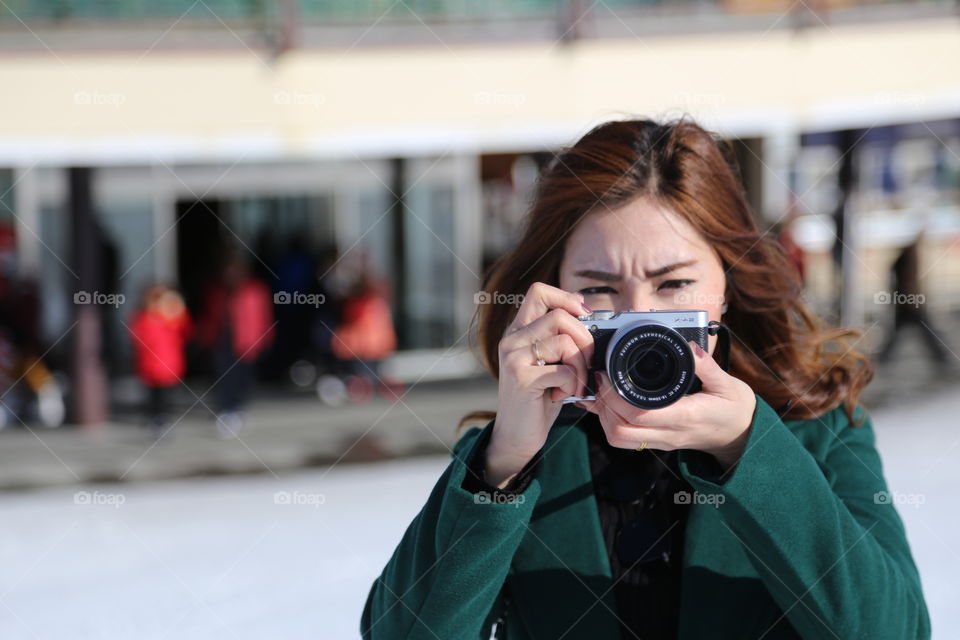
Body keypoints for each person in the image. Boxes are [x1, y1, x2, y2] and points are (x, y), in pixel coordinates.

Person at [360, 118, 930, 639]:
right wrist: (504, 465)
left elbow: (894, 631)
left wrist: (748, 450)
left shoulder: (816, 430)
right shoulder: (514, 454)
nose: (640, 319)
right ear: (552, 287)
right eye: (599, 287)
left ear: (726, 287)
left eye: (673, 285)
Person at [198, 253, 275, 437]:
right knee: (223, 377)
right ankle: (225, 410)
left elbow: (263, 316)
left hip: (246, 341)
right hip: (222, 341)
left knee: (243, 377)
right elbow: (209, 317)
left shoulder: (254, 290)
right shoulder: (216, 292)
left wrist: (264, 337)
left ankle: (239, 408)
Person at [128, 285, 192, 438]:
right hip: (150, 366)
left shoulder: (172, 319)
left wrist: (177, 311)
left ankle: (164, 421)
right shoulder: (143, 319)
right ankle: (154, 420)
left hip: (169, 365)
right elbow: (139, 339)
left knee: (167, 397)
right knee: (152, 397)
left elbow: (187, 331)